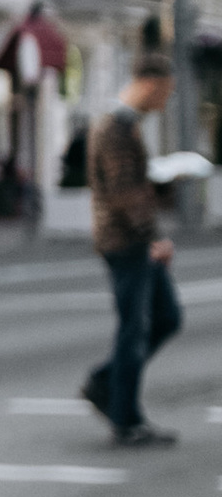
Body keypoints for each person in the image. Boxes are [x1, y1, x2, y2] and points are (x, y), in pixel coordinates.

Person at [82, 47, 183, 448]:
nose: (166, 99)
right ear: (150, 84)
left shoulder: (126, 126)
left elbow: (132, 188)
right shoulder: (117, 130)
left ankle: (106, 383)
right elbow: (125, 194)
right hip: (125, 243)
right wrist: (153, 238)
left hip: (131, 241)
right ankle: (125, 420)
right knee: (135, 329)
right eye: (166, 91)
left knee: (165, 319)